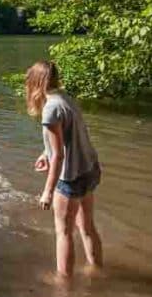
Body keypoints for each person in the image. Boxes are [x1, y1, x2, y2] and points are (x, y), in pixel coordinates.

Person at [25, 60, 103, 278]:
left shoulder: (50, 109)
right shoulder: (67, 98)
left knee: (64, 232)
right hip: (89, 169)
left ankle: (63, 285)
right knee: (87, 227)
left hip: (70, 178)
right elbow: (69, 136)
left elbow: (59, 155)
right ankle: (97, 271)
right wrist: (45, 153)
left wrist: (48, 192)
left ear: (35, 83)